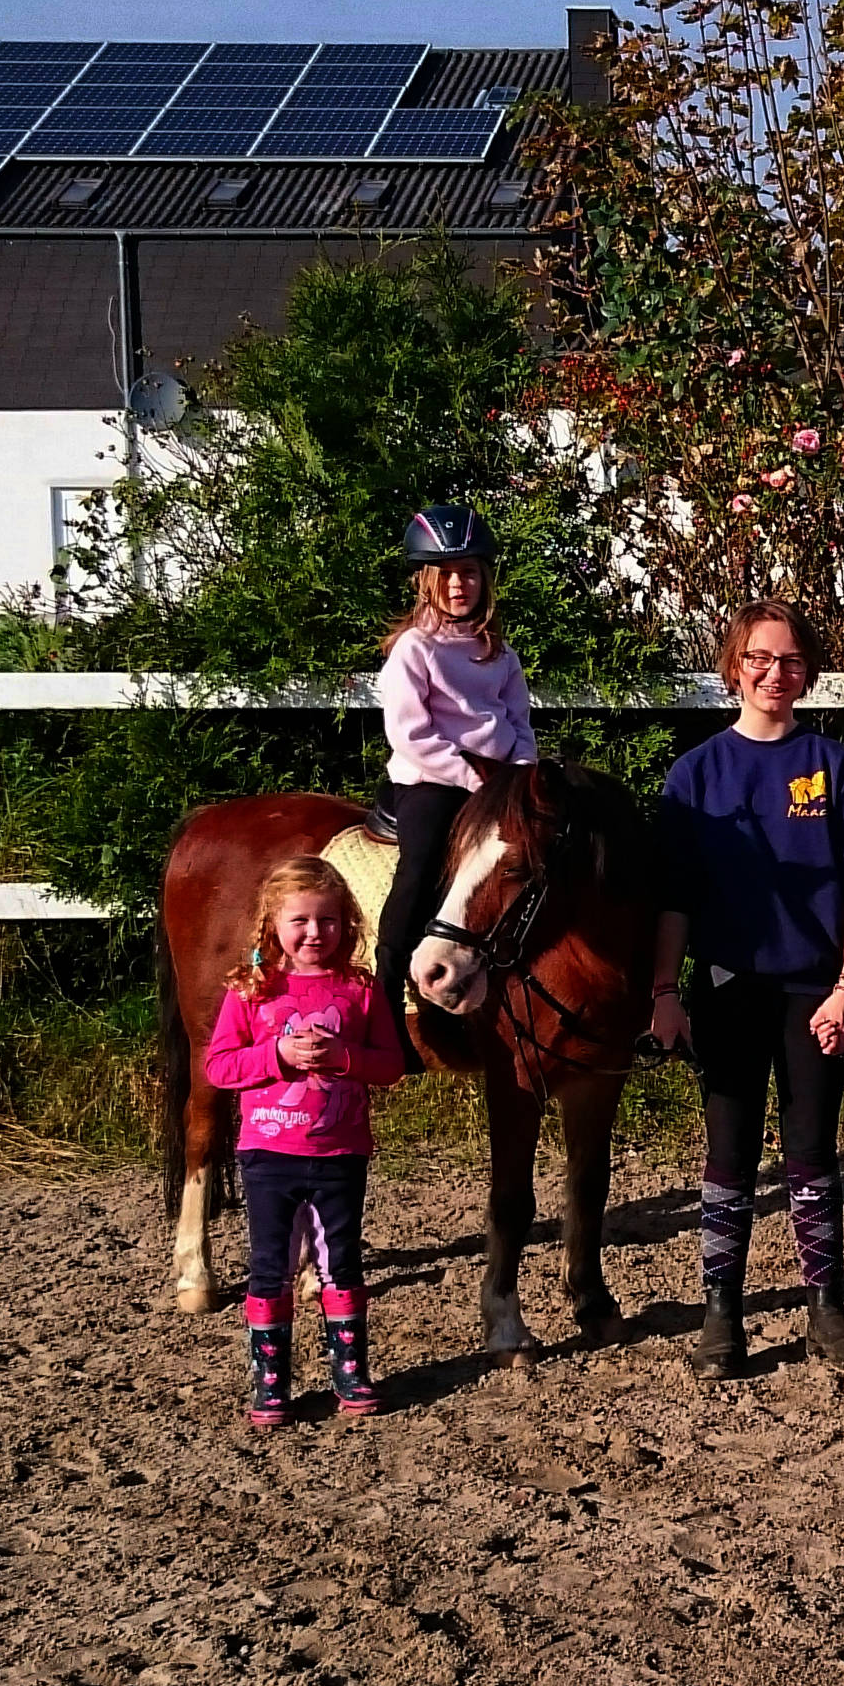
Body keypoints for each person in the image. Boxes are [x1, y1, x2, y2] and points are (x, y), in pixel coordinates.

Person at [649, 601, 844, 1380]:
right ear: (734, 665)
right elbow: (675, 898)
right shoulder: (695, 776)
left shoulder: (837, 765)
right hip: (725, 987)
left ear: (807, 673)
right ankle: (722, 1311)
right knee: (728, 1154)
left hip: (812, 991)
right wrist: (664, 990)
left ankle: (827, 1304)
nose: (774, 673)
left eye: (789, 660)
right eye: (759, 657)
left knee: (813, 1150)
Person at [204, 856, 407, 1426]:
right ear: (273, 924)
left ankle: (350, 1371)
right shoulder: (251, 989)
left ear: (347, 925)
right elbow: (219, 1066)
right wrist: (277, 1056)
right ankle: (271, 1382)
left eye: (328, 920)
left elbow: (391, 1065)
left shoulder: (360, 990)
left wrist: (345, 1058)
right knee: (270, 1266)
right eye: (300, 921)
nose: (315, 933)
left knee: (341, 1263)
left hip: (341, 1153)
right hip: (268, 1156)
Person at [375, 503, 536, 1058]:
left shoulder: (500, 654)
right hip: (433, 778)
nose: (457, 583)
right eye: (445, 573)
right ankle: (387, 988)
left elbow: (518, 725)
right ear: (427, 581)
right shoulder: (414, 650)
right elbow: (410, 733)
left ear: (483, 578)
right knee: (421, 866)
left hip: (498, 783)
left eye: (468, 571)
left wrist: (519, 781)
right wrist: (472, 779)